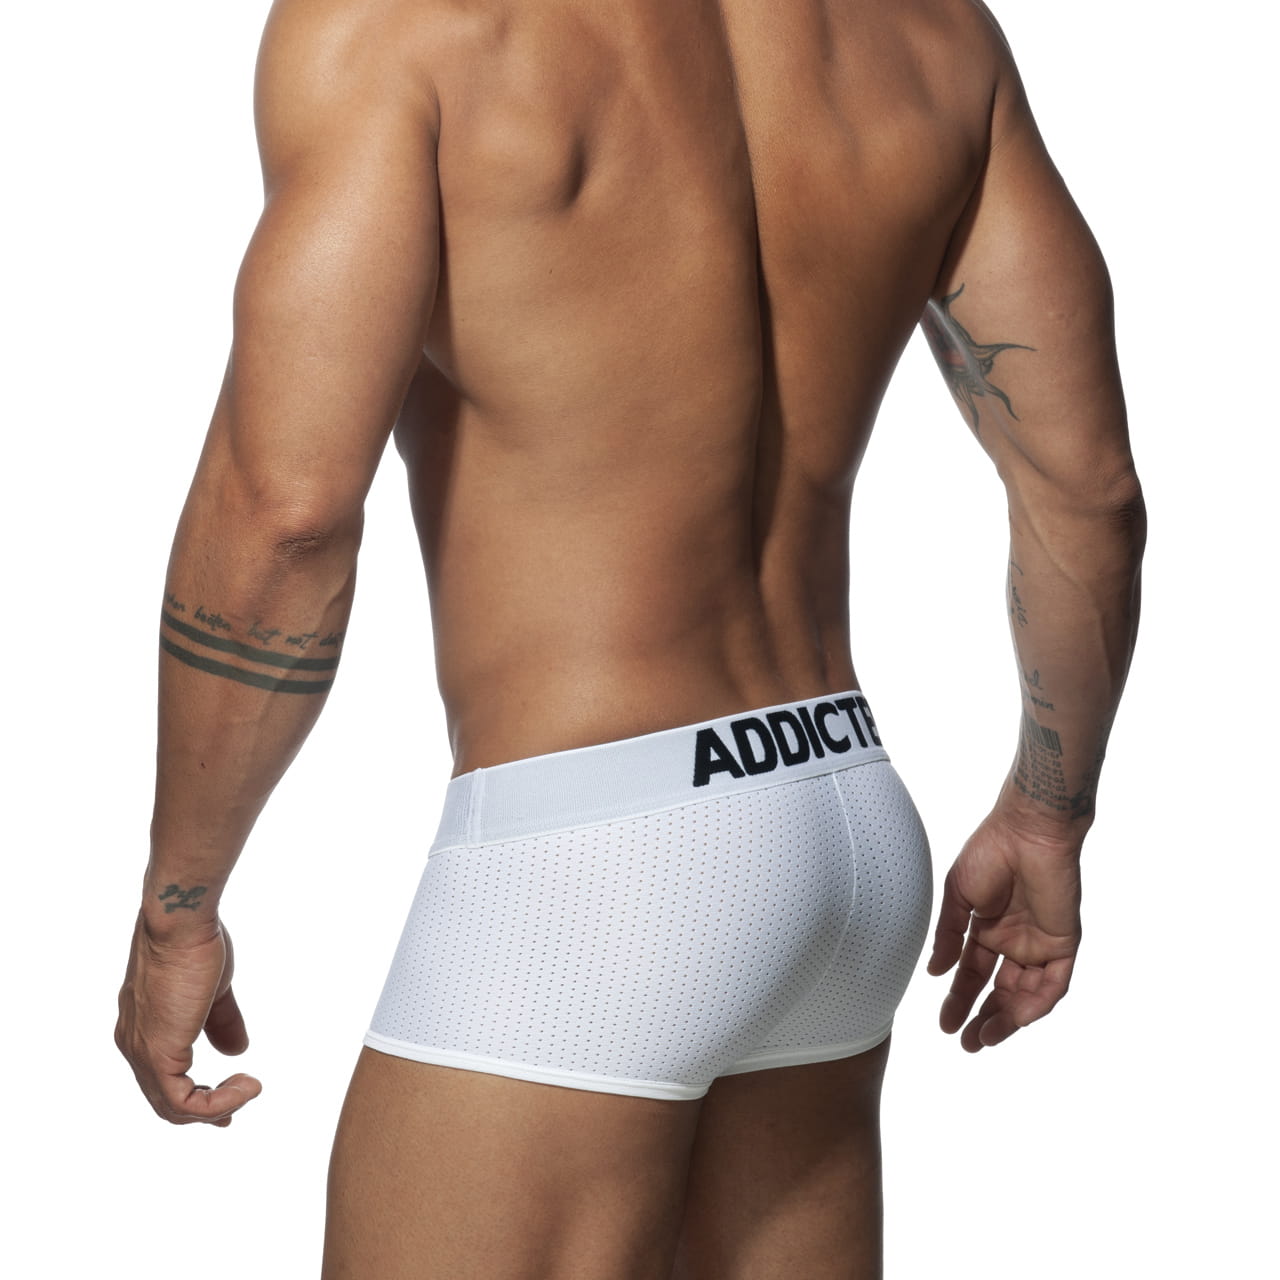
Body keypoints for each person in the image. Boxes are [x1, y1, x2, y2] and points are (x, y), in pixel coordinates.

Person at [114, 0, 1146, 1274]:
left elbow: (287, 515)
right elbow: (1087, 493)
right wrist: (1047, 813)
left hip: (595, 862)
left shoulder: (400, 27)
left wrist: (179, 903)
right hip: (845, 823)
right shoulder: (928, 33)